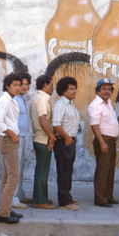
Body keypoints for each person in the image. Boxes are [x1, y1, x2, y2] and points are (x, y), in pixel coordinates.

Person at [0, 73, 23, 224]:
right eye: (15, 85)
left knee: (6, 176)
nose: (18, 88)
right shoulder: (5, 100)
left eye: (19, 85)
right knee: (14, 176)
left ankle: (7, 209)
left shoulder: (11, 100)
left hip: (9, 140)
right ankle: (3, 213)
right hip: (8, 140)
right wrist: (12, 134)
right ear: (7, 86)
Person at [88, 78, 119, 208]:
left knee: (110, 170)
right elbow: (94, 126)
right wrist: (102, 143)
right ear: (98, 91)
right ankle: (100, 199)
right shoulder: (95, 105)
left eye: (109, 89)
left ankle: (108, 196)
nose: (107, 91)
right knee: (102, 170)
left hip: (111, 140)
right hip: (104, 140)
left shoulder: (108, 103)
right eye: (104, 89)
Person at [52, 76, 79, 211]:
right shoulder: (60, 104)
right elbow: (56, 124)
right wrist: (67, 137)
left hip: (70, 141)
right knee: (63, 172)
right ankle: (64, 202)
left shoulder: (70, 103)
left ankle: (67, 196)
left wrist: (73, 136)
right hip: (63, 142)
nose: (74, 91)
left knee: (68, 170)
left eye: (75, 89)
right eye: (71, 89)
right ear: (63, 91)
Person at [30, 74, 56, 209]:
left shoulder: (40, 97)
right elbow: (42, 120)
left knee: (42, 169)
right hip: (42, 138)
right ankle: (40, 200)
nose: (53, 88)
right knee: (42, 170)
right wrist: (52, 136)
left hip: (40, 138)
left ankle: (42, 197)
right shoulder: (41, 99)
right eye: (51, 85)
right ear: (45, 85)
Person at [12, 72, 32, 209]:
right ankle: (13, 199)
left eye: (26, 84)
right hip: (16, 137)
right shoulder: (14, 99)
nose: (23, 87)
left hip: (22, 136)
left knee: (21, 166)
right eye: (21, 84)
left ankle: (19, 194)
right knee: (15, 168)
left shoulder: (23, 98)